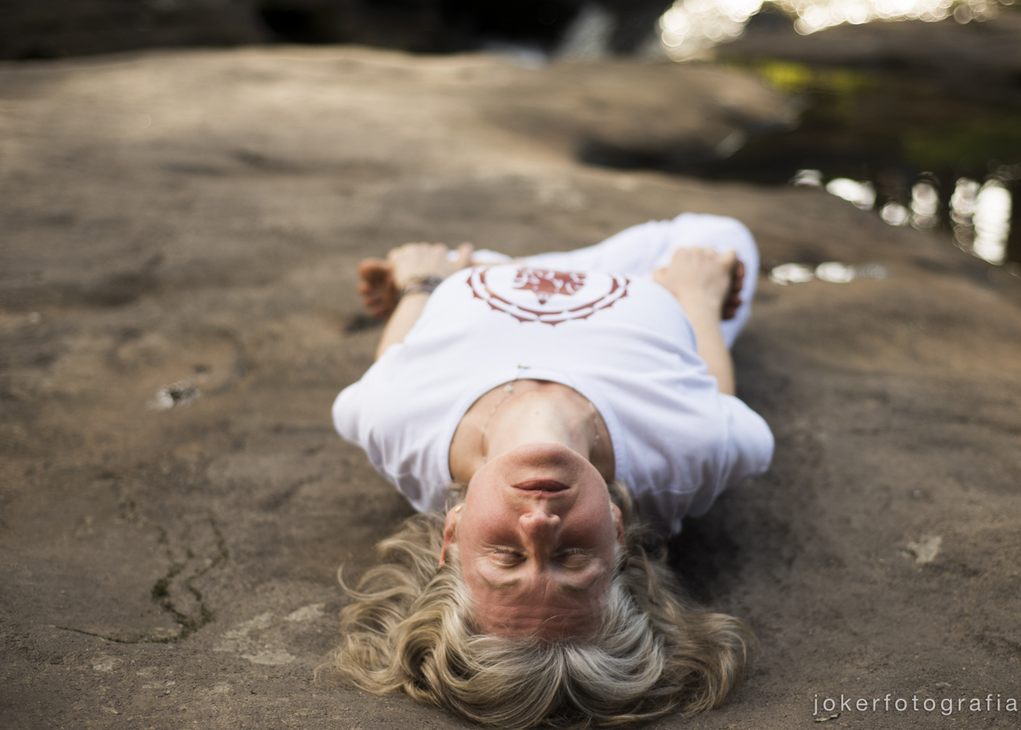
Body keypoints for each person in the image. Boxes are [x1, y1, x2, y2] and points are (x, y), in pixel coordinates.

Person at [329, 213, 774, 728]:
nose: (540, 526)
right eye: (572, 558)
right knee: (725, 237)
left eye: (507, 556)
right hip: (648, 276)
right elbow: (719, 400)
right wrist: (697, 299)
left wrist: (420, 286)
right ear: (617, 533)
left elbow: (390, 365)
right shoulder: (691, 446)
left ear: (450, 538)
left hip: (481, 271)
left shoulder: (394, 421)